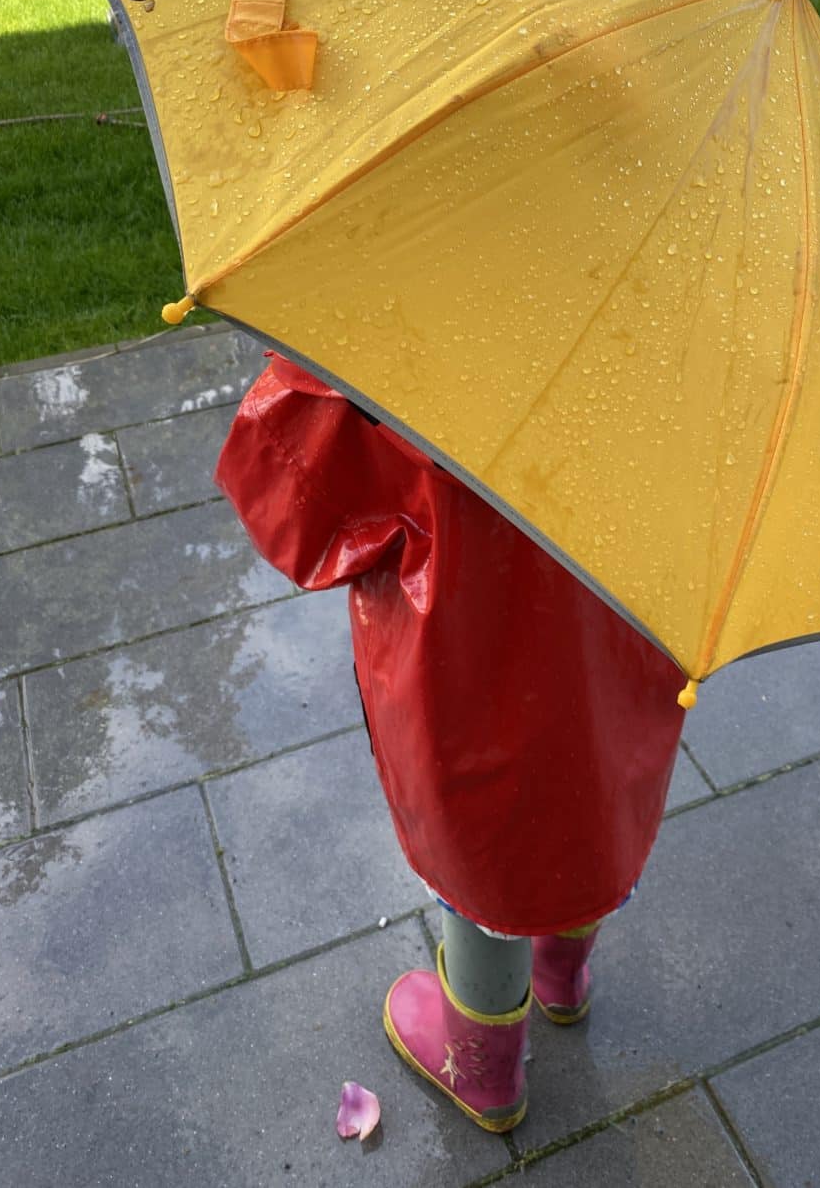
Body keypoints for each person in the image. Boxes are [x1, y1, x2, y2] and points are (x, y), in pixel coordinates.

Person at [215, 351, 686, 1132]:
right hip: (626, 652)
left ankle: (486, 1069)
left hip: (470, 683)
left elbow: (293, 508)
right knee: (594, 800)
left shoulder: (418, 327)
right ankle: (562, 974)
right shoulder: (682, 325)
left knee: (487, 865)